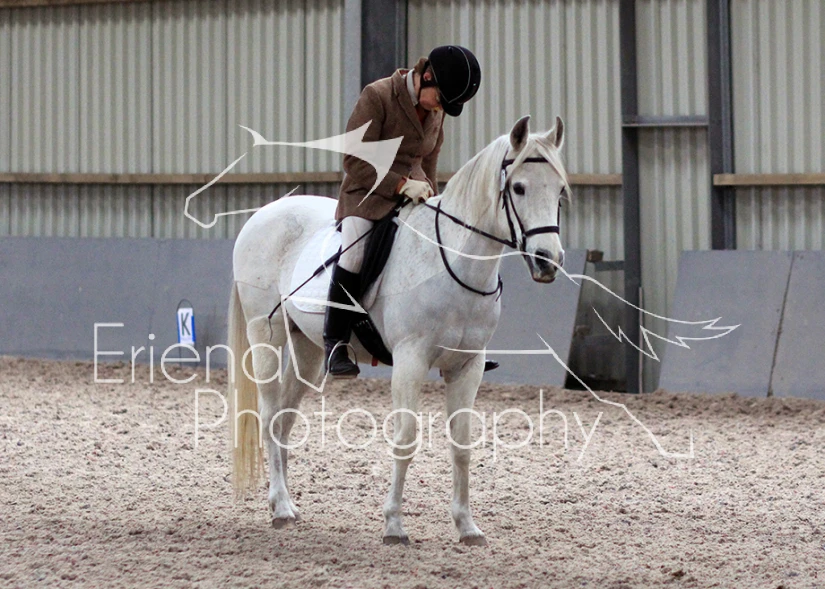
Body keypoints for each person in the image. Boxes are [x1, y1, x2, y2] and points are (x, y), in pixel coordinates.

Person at [324, 45, 482, 378]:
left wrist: (436, 200)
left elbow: (430, 159)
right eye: (440, 99)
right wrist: (399, 185)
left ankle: (454, 346)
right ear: (427, 76)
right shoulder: (378, 96)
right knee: (354, 253)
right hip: (367, 194)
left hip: (415, 195)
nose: (439, 108)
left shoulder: (437, 107)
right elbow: (353, 160)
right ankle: (335, 341)